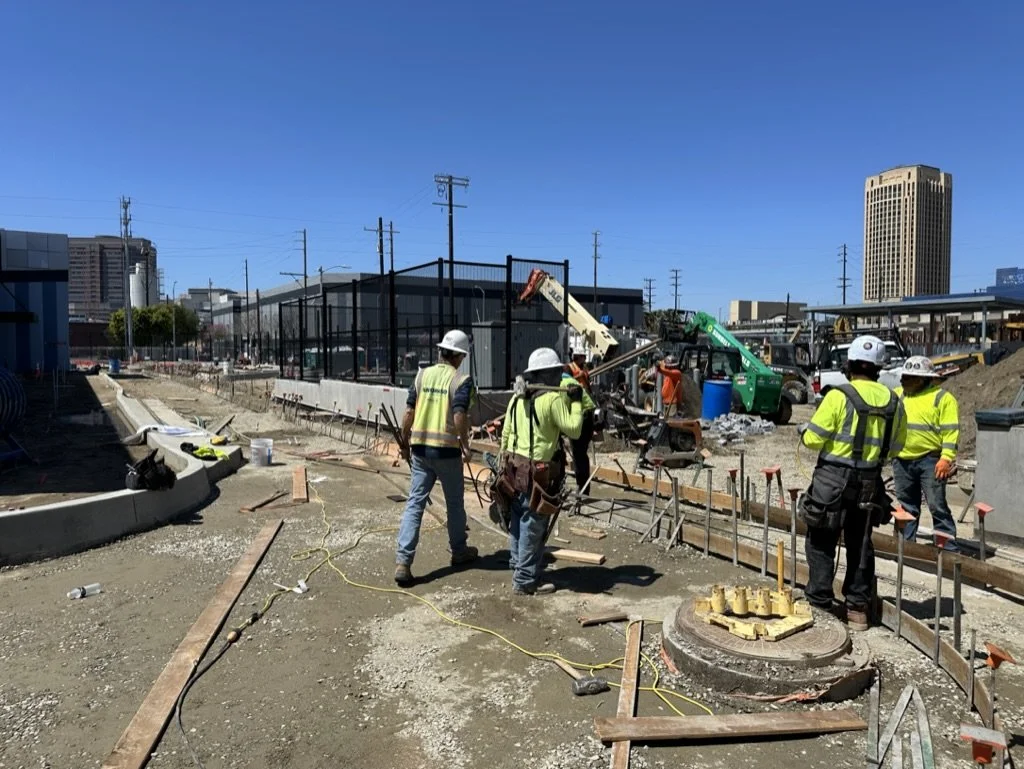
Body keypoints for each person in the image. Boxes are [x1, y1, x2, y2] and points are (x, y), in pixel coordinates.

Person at [798, 335, 907, 631]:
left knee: (821, 541)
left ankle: (819, 603)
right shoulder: (894, 402)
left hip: (831, 481)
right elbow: (897, 447)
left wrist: (806, 433)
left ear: (849, 364)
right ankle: (857, 610)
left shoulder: (838, 396)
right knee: (860, 544)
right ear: (879, 368)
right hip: (869, 484)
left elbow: (814, 439)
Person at [395, 329, 478, 586]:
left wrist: (404, 441)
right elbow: (459, 415)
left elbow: (409, 411)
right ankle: (459, 550)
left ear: (442, 351)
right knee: (454, 503)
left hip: (420, 450)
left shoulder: (422, 375)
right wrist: (465, 444)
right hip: (446, 451)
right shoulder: (460, 380)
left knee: (415, 503)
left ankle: (403, 562)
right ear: (460, 356)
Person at [499, 347, 584, 595]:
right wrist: (576, 402)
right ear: (546, 374)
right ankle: (525, 580)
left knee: (517, 518)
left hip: (513, 467)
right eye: (557, 372)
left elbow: (505, 434)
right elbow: (574, 430)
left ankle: (518, 566)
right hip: (538, 472)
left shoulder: (517, 398)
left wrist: (502, 461)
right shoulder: (552, 399)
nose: (560, 377)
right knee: (533, 523)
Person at [892, 356, 960, 550]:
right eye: (903, 376)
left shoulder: (942, 399)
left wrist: (946, 458)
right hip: (902, 460)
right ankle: (906, 547)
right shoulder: (898, 396)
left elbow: (951, 431)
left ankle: (948, 548)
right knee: (906, 506)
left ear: (922, 379)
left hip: (931, 461)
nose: (902, 380)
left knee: (937, 506)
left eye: (908, 377)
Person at [561, 361, 597, 495]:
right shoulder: (571, 381)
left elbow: (562, 408)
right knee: (580, 454)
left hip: (583, 418)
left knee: (578, 455)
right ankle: (583, 488)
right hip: (588, 418)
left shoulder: (564, 385)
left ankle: (582, 488)